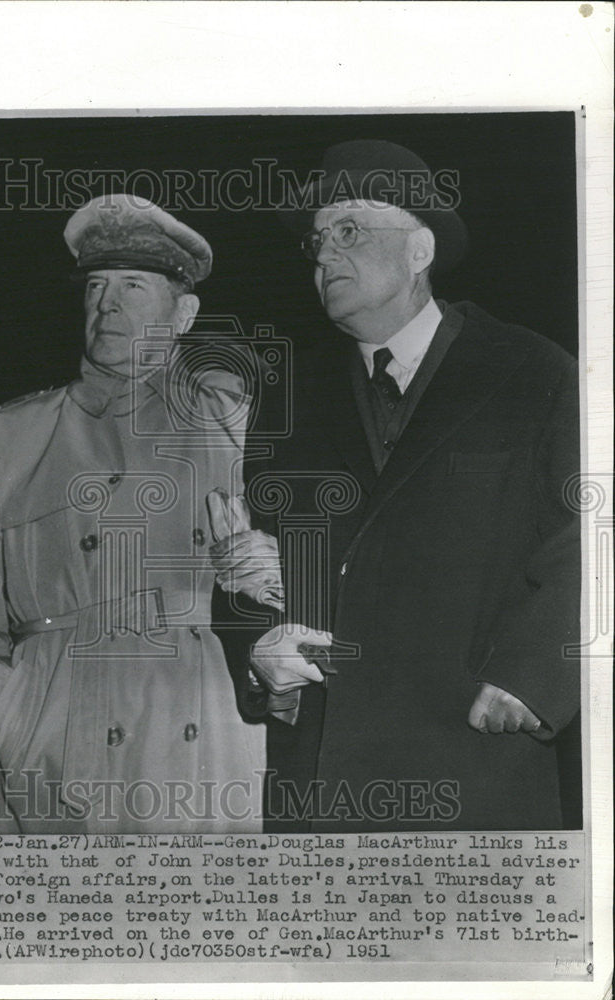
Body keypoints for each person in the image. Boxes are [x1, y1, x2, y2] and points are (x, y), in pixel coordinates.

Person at [232, 140, 580, 832]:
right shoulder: (289, 397)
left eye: (349, 231)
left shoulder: (533, 371)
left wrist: (533, 677)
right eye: (316, 240)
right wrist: (255, 654)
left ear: (418, 251)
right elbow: (248, 558)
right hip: (320, 778)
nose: (324, 255)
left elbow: (591, 537)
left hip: (475, 769)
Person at [0, 194, 266, 833]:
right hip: (51, 745)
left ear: (184, 313)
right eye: (96, 285)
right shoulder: (8, 438)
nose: (108, 304)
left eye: (132, 285)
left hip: (207, 740)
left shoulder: (239, 425)